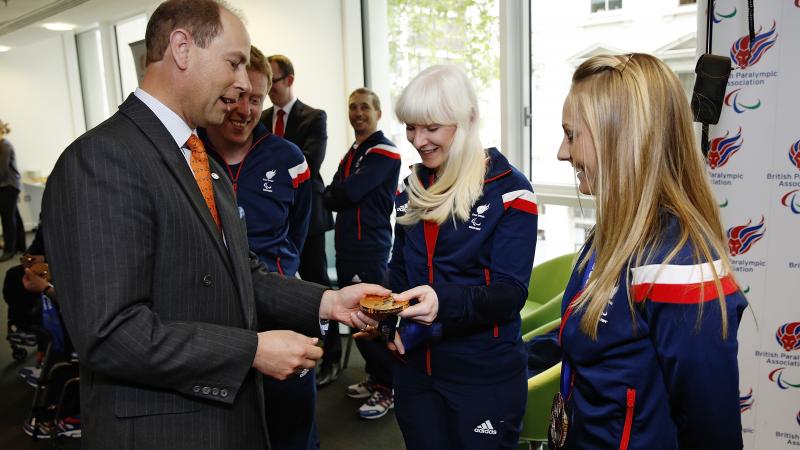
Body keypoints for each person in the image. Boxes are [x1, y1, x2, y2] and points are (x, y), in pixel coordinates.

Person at [40, 2, 385, 449]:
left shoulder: (200, 160)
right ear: (182, 48)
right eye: (234, 62)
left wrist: (331, 301)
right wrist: (253, 351)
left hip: (228, 417)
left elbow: (244, 272)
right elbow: (110, 334)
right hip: (164, 431)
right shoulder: (103, 159)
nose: (244, 84)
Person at [551, 53, 748, 450]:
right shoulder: (613, 234)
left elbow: (712, 430)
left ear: (619, 139)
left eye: (572, 135)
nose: (561, 152)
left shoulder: (679, 261)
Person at [387, 65, 539, 449]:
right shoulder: (412, 187)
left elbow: (509, 294)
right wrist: (384, 320)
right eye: (410, 127)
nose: (417, 140)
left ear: (466, 120)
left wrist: (442, 301)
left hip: (483, 377)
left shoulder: (510, 192)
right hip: (416, 374)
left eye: (431, 128)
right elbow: (398, 272)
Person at [199, 44, 317, 450]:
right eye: (235, 97)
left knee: (293, 428)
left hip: (280, 311)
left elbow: (297, 232)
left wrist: (281, 278)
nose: (245, 110)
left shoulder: (289, 158)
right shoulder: (185, 156)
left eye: (256, 99)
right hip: (214, 318)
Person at [321, 88, 401, 418]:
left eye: (365, 107)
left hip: (370, 248)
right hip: (347, 247)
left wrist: (343, 190)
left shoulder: (384, 151)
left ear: (378, 113)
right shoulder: (355, 151)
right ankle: (376, 377)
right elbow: (330, 196)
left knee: (375, 319)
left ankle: (390, 387)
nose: (358, 113)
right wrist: (341, 191)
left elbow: (348, 190)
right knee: (357, 317)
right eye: (352, 107)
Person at [261, 54, 334, 287]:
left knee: (316, 282)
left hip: (308, 215)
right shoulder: (260, 119)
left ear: (289, 79)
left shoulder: (314, 117)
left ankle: (327, 327)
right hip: (272, 216)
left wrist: (270, 168)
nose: (268, 88)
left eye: (273, 80)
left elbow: (309, 164)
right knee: (279, 285)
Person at [0, 119, 25, 261]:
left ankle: (9, 250)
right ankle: (20, 246)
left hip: (9, 185)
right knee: (14, 216)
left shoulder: (4, 146)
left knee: (7, 217)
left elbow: (2, 171)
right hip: (7, 185)